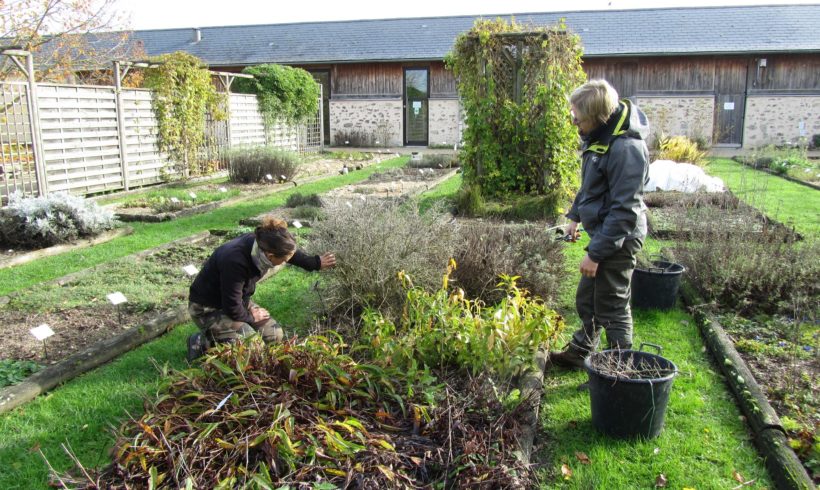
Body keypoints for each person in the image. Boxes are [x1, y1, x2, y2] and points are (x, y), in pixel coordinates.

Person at [549, 79, 650, 369]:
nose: (574, 122)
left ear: (597, 116)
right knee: (587, 298)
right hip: (606, 232)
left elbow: (625, 211)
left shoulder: (626, 149)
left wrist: (596, 254)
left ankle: (617, 371)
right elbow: (590, 186)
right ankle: (581, 352)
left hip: (620, 237)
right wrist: (574, 216)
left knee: (612, 306)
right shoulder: (599, 138)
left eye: (578, 117)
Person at [186, 215, 336, 361]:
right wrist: (251, 317)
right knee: (252, 346)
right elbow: (231, 306)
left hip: (236, 300)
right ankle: (202, 342)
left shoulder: (264, 244)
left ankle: (223, 336)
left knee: (274, 335)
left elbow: (288, 252)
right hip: (207, 307)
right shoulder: (234, 261)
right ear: (270, 256)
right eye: (284, 261)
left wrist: (315, 263)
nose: (286, 261)